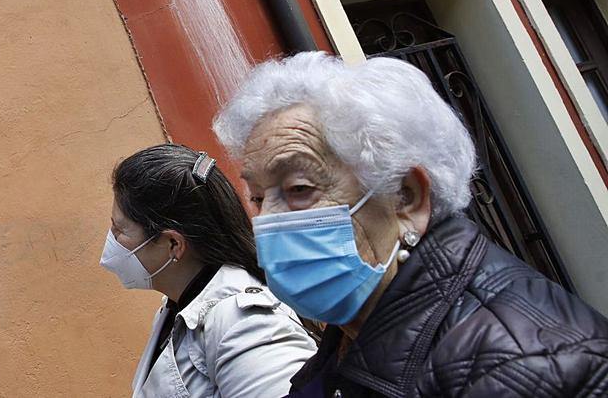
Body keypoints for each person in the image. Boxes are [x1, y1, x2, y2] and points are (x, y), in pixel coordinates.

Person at [213, 52, 608, 397]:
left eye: (299, 188)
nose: (266, 222)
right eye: (259, 198)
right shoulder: (351, 334)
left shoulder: (527, 366)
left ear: (406, 197)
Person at [102, 144, 317, 398]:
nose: (111, 239)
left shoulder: (247, 324)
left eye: (120, 230)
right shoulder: (178, 307)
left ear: (173, 244)